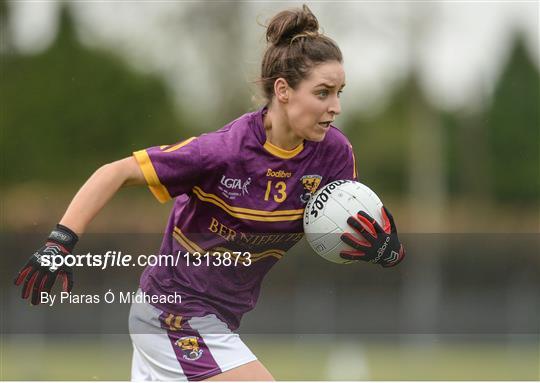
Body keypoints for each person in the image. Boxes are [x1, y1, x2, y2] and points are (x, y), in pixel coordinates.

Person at [14, 4, 405, 381]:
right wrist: (59, 242)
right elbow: (113, 173)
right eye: (323, 92)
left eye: (340, 92)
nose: (336, 107)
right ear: (283, 90)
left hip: (218, 322)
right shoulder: (222, 152)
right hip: (172, 311)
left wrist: (384, 250)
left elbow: (341, 230)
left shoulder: (334, 155)